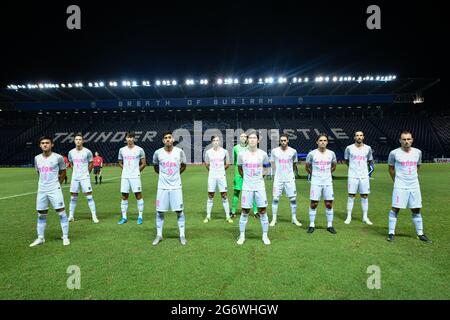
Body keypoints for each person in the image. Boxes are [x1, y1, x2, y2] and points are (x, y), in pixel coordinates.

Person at [387, 131, 432, 243]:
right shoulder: (394, 153)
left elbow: (418, 166)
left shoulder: (418, 152)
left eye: (408, 139)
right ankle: (391, 233)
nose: (406, 141)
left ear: (412, 140)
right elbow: (391, 168)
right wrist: (396, 180)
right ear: (400, 141)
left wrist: (412, 177)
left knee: (416, 208)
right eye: (404, 139)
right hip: (400, 185)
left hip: (414, 185)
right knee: (395, 208)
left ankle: (420, 234)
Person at [30, 136, 70, 247]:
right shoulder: (37, 158)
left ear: (52, 144)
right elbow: (39, 173)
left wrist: (58, 184)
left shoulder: (58, 158)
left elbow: (63, 172)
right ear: (40, 145)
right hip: (42, 189)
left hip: (54, 189)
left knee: (61, 212)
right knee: (41, 214)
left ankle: (65, 237)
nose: (45, 144)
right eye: (42, 143)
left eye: (47, 143)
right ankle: (40, 238)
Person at [236, 132, 271, 245]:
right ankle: (242, 236)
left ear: (258, 140)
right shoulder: (242, 154)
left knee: (262, 211)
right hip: (247, 187)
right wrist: (246, 178)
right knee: (245, 211)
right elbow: (240, 168)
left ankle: (265, 236)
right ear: (247, 140)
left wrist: (261, 177)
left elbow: (267, 167)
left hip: (260, 186)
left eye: (254, 138)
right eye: (249, 138)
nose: (251, 140)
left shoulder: (263, 154)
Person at [305, 134, 337, 234]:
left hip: (328, 182)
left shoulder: (331, 154)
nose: (322, 142)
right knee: (314, 204)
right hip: (316, 182)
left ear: (327, 142)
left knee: (329, 204)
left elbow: (334, 166)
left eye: (324, 140)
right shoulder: (312, 154)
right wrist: (314, 174)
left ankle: (329, 225)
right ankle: (311, 225)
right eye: (321, 140)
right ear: (317, 142)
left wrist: (327, 174)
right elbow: (307, 167)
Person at [269, 134, 301, 227]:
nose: (283, 142)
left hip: (289, 179)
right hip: (278, 179)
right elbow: (272, 163)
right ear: (279, 141)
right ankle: (274, 219)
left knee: (293, 199)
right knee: (275, 198)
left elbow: (294, 164)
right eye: (281, 140)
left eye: (285, 140)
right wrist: (277, 172)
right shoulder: (274, 151)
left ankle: (294, 218)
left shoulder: (293, 151)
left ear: (288, 141)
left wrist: (291, 173)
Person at [344, 131, 374, 225]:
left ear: (363, 137)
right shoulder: (349, 148)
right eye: (357, 135)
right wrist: (353, 168)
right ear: (354, 137)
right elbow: (346, 160)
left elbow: (370, 160)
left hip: (364, 176)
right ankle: (349, 216)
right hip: (352, 175)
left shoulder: (368, 148)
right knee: (351, 195)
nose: (359, 137)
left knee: (364, 196)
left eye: (361, 135)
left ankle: (365, 217)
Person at [67, 133, 98, 223]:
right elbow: (70, 163)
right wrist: (75, 171)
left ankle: (94, 216)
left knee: (89, 196)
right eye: (76, 139)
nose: (78, 141)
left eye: (80, 139)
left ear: (83, 141)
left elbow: (91, 163)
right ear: (74, 141)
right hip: (75, 177)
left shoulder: (87, 152)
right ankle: (71, 216)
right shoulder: (71, 152)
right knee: (73, 197)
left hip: (85, 177)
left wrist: (86, 173)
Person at [117, 132, 146, 225]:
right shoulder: (122, 150)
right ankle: (124, 217)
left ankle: (140, 216)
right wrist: (125, 169)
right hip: (125, 176)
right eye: (128, 137)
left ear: (134, 138)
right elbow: (120, 162)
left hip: (135, 176)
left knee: (138, 195)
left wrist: (136, 171)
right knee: (124, 196)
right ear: (125, 139)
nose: (129, 139)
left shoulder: (139, 149)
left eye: (131, 137)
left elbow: (144, 163)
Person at [204, 136, 232, 223]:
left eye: (217, 140)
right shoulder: (208, 152)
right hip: (212, 176)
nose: (216, 142)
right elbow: (206, 164)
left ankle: (227, 216)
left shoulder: (224, 151)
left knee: (224, 195)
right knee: (210, 195)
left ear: (219, 142)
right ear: (211, 142)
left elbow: (228, 163)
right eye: (214, 140)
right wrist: (212, 171)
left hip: (221, 176)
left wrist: (221, 170)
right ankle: (208, 216)